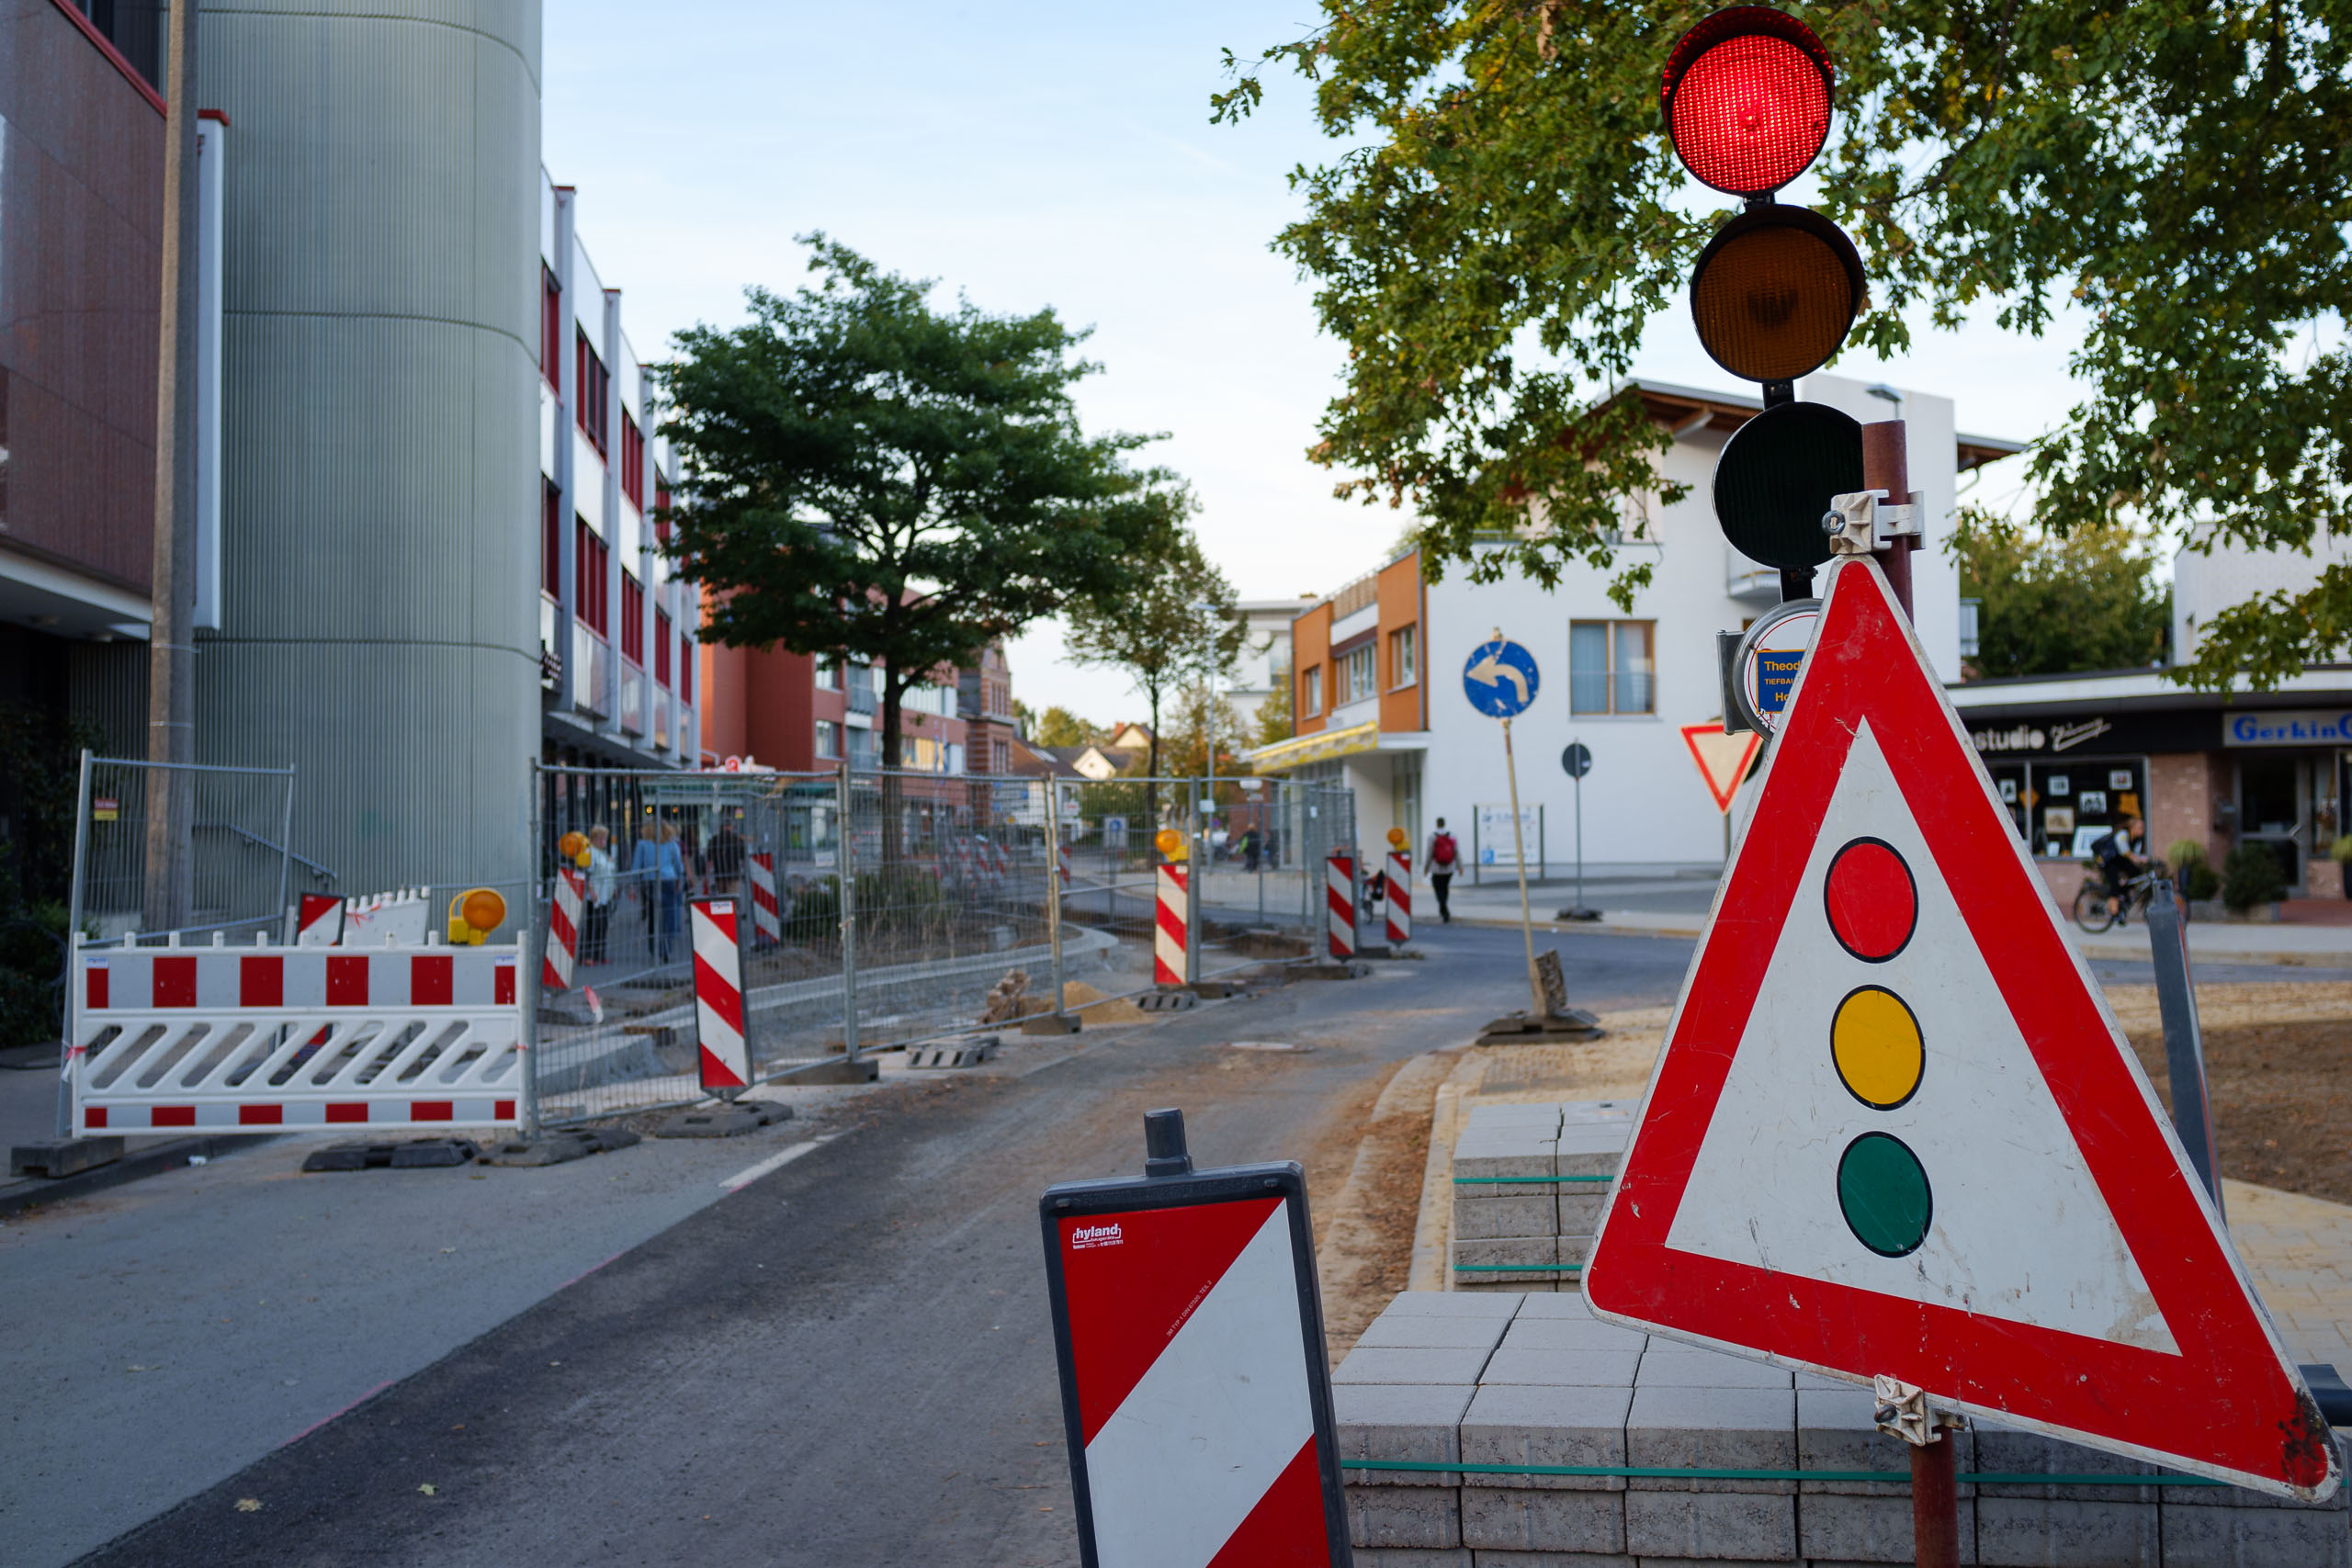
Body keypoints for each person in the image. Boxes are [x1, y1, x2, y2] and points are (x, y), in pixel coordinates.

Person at [2094, 813, 2148, 923]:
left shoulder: (2137, 840)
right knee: (2115, 884)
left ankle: (2123, 894)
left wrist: (2145, 859)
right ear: (2132, 827)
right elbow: (2125, 851)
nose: (2142, 830)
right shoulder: (2123, 834)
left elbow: (2135, 855)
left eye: (2143, 828)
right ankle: (2115, 913)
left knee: (2136, 872)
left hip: (2119, 861)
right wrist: (2138, 858)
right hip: (2109, 861)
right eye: (2140, 828)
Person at [582, 824, 617, 964]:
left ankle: (599, 954)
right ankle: (588, 955)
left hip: (605, 895)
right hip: (595, 896)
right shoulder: (590, 853)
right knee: (593, 925)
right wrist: (590, 890)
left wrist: (613, 889)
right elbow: (587, 874)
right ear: (594, 839)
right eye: (602, 839)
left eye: (605, 839)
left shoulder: (604, 853)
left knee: (603, 925)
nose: (604, 842)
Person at [1427, 818, 1459, 924]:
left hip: (1436, 868)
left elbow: (1429, 853)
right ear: (1444, 824)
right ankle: (1444, 909)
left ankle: (1444, 910)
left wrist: (1426, 868)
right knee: (1445, 888)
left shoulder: (1432, 836)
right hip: (1449, 868)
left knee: (1438, 889)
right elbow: (1456, 852)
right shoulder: (1452, 835)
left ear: (1437, 824)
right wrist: (1460, 866)